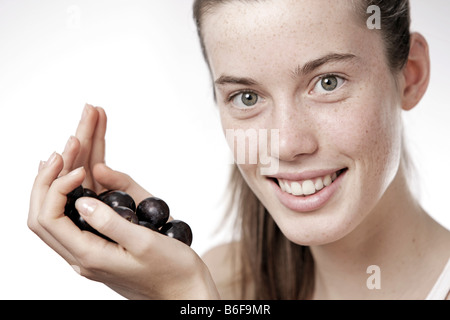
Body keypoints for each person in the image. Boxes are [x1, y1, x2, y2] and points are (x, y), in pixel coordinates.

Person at [28, 0, 450, 300]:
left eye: (328, 82)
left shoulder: (200, 287)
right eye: (247, 97)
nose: (285, 143)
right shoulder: (225, 278)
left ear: (410, 75)